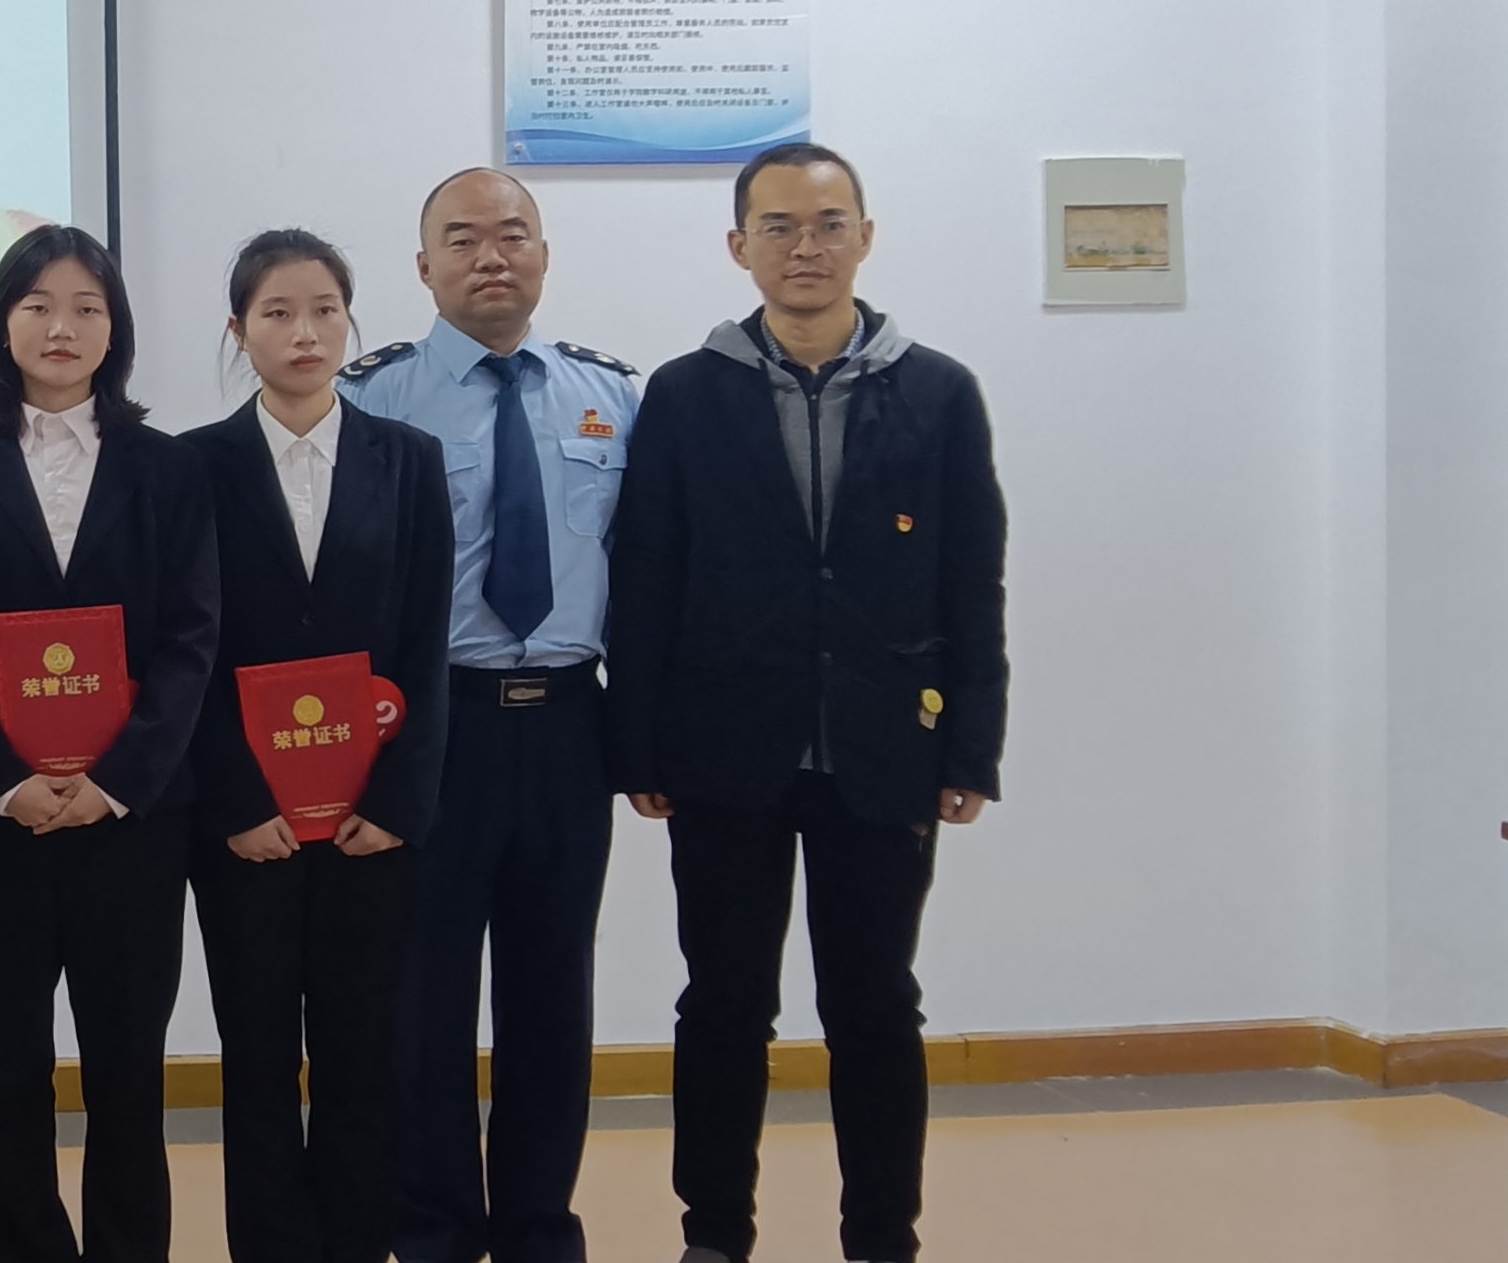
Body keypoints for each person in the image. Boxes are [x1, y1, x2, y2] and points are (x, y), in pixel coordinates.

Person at [608, 144, 1005, 1263]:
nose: (805, 247)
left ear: (864, 237)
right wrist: (637, 742)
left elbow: (971, 582)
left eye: (828, 223)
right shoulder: (685, 393)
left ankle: (880, 1237)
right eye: (777, 226)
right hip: (722, 751)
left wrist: (969, 745)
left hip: (882, 751)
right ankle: (713, 1234)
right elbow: (646, 575)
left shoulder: (937, 391)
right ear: (738, 246)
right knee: (722, 1004)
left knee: (873, 1005)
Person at [339, 167, 640, 1263]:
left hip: (565, 725)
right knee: (420, 996)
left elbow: (648, 573)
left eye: (511, 234)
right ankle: (430, 1229)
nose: (489, 256)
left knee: (552, 993)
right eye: (461, 239)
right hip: (433, 728)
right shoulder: (374, 398)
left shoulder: (612, 395)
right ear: (423, 267)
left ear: (543, 253)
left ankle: (535, 1227)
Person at [0, 227, 215, 1263]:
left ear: (113, 328)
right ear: (2, 323)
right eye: (37, 304)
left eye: (86, 306)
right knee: (7, 1066)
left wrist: (115, 780)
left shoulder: (169, 468)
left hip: (131, 822)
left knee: (127, 1066)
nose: (61, 326)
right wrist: (2, 781)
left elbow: (189, 639)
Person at [183, 231, 455, 1263]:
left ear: (349, 319)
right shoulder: (192, 466)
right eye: (277, 312)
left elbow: (424, 642)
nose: (304, 332)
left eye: (324, 310)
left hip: (366, 821)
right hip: (244, 821)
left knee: (358, 1051)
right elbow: (187, 649)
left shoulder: (407, 459)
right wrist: (233, 797)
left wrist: (394, 801)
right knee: (255, 1055)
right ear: (237, 328)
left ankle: (352, 1241)